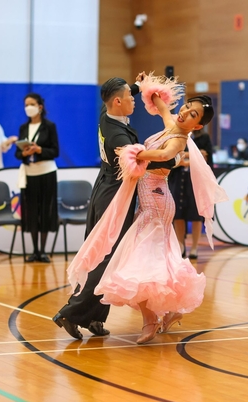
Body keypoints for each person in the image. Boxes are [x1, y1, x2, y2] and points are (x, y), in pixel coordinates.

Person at [67, 88, 225, 345]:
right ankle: (171, 311)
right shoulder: (172, 124)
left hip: (156, 203)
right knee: (153, 262)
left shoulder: (179, 140)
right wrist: (146, 86)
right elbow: (161, 105)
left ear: (197, 126)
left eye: (193, 114)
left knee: (138, 262)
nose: (185, 112)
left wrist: (134, 154)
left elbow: (163, 155)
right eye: (187, 106)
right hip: (149, 202)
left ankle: (150, 320)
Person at [52, 75, 178, 340]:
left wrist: (139, 86)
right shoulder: (118, 136)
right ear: (118, 102)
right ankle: (70, 313)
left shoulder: (106, 114)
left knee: (106, 256)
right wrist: (173, 159)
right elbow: (141, 162)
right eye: (130, 97)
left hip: (104, 188)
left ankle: (95, 318)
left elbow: (118, 94)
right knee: (107, 258)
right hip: (114, 197)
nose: (134, 100)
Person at [15, 93, 59, 263]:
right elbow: (17, 153)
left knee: (45, 210)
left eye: (31, 104)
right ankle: (34, 251)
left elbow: (55, 151)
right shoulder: (23, 128)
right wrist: (24, 153)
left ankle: (43, 251)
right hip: (29, 173)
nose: (28, 107)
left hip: (46, 172)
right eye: (26, 105)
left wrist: (39, 150)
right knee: (31, 211)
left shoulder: (49, 126)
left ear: (40, 106)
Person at [168, 127, 214, 259]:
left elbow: (205, 157)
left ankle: (194, 247)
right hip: (178, 178)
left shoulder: (204, 137)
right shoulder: (176, 136)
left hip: (196, 180)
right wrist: (191, 156)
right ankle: (180, 245)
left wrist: (184, 157)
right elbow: (172, 156)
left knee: (196, 214)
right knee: (178, 214)